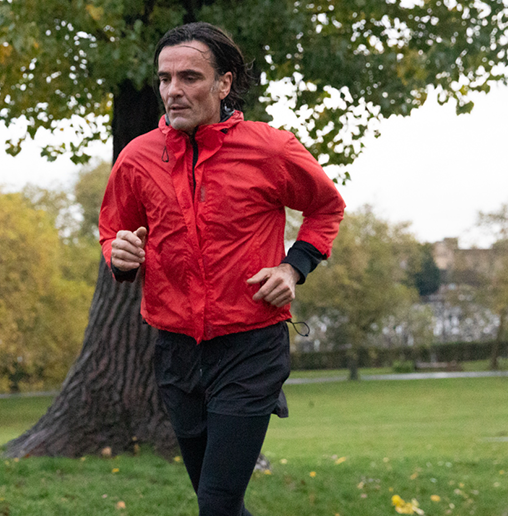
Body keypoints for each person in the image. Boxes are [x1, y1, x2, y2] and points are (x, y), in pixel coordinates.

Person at [99, 22, 345, 516]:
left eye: (189, 77)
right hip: (175, 351)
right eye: (165, 78)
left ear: (223, 83)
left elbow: (326, 207)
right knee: (219, 503)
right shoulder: (137, 158)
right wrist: (119, 255)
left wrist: (293, 269)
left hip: (250, 344)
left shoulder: (270, 149)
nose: (173, 90)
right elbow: (115, 232)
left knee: (216, 501)